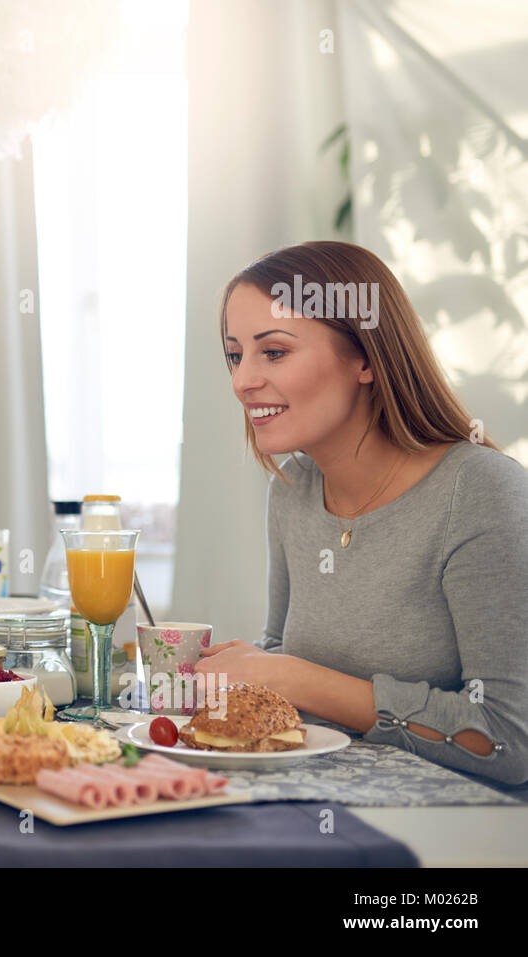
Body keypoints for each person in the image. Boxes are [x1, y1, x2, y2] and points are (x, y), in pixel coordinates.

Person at [195, 241, 528, 786]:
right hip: (311, 804)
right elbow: (286, 655)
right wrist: (257, 669)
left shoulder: (482, 492)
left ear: (366, 359)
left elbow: (509, 740)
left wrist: (295, 677)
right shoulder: (294, 488)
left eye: (273, 352)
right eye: (235, 355)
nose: (241, 381)